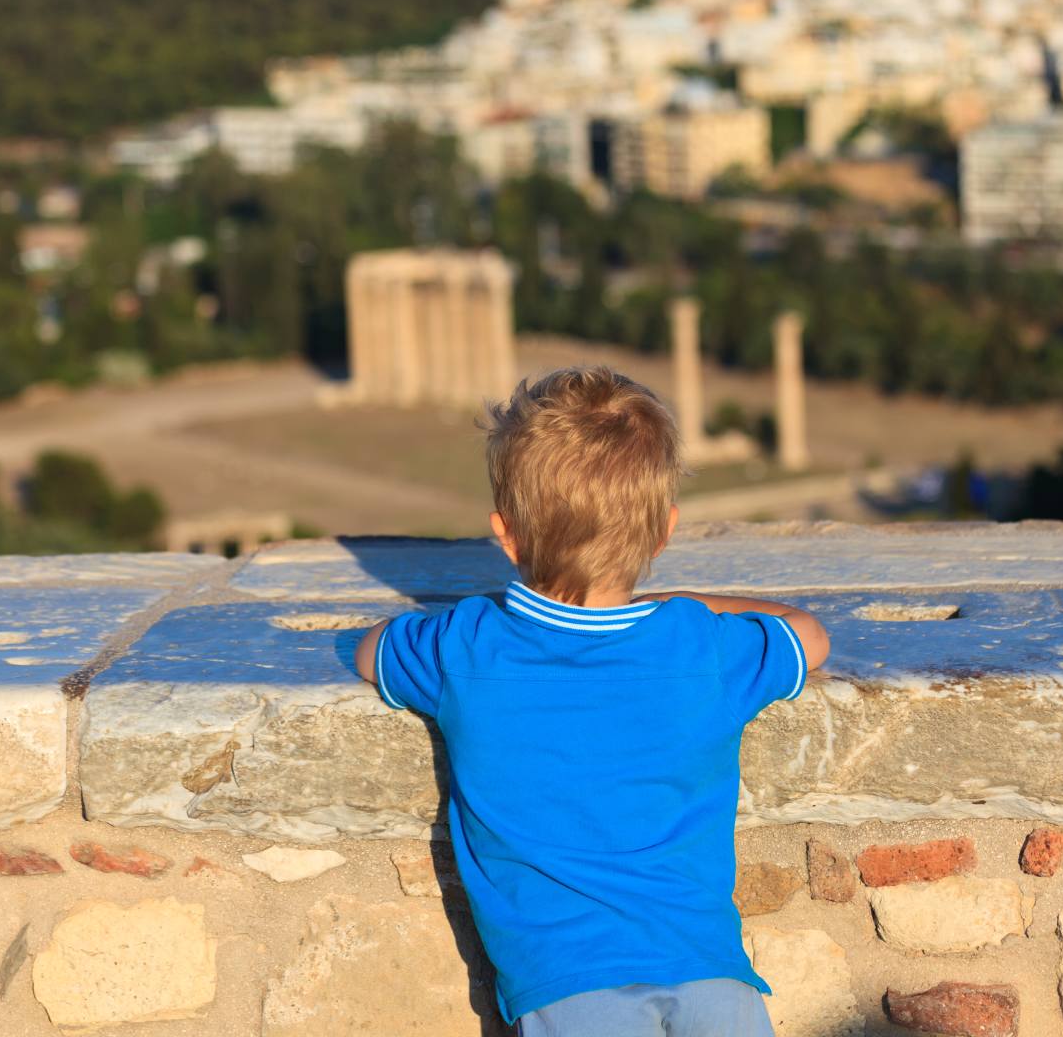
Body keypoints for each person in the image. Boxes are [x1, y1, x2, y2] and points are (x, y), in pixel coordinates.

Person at [355, 365, 829, 1037]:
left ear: (507, 533)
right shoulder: (701, 647)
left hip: (568, 984)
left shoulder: (466, 646)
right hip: (712, 973)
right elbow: (808, 635)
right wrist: (681, 606)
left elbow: (371, 652)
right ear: (663, 531)